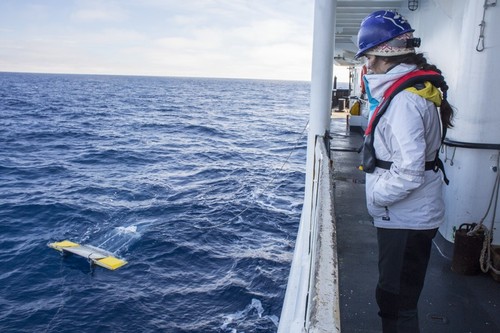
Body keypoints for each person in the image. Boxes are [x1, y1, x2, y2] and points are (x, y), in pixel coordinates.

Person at [355, 10, 454, 333]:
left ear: (385, 54)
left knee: (396, 302)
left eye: (369, 57)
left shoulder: (404, 104)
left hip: (405, 218)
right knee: (397, 297)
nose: (367, 66)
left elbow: (409, 172)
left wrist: (377, 198)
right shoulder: (413, 92)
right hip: (409, 216)